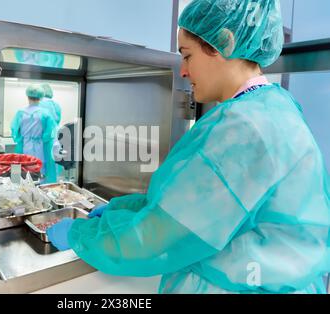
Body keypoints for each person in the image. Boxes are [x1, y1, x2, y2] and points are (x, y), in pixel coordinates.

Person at [47, 0, 330, 294]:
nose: (183, 71)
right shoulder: (272, 107)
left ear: (224, 43)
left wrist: (82, 236)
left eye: (187, 55)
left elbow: (158, 240)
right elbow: (193, 206)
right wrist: (120, 209)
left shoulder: (242, 127)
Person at [11, 84, 58, 183]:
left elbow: (15, 131)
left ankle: (19, 191)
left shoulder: (20, 113)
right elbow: (49, 134)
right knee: (41, 173)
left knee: (19, 172)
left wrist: (22, 140)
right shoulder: (45, 114)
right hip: (41, 148)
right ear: (41, 98)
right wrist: (42, 140)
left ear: (27, 96)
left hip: (23, 146)